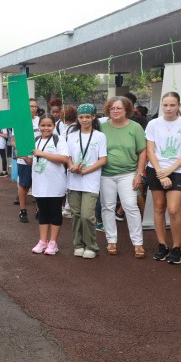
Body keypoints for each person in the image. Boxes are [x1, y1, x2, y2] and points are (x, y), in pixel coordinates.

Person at [146, 92, 181, 264]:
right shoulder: (153, 124)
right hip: (156, 169)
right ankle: (162, 245)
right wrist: (161, 171)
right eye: (165, 105)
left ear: (179, 106)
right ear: (161, 105)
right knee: (159, 207)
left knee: (174, 209)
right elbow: (150, 151)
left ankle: (176, 248)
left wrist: (170, 170)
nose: (168, 108)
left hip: (177, 170)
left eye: (172, 105)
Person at [100, 96, 147, 258]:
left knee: (130, 206)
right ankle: (111, 240)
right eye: (112, 108)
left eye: (119, 108)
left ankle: (138, 243)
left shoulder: (135, 128)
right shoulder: (101, 127)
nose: (115, 111)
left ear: (127, 109)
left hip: (128, 173)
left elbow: (143, 151)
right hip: (105, 175)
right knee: (107, 207)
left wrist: (139, 174)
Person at [66, 104, 107, 259]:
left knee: (87, 215)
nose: (84, 120)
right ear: (77, 118)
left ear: (93, 117)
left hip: (91, 181)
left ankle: (91, 246)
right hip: (73, 180)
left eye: (87, 117)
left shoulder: (99, 136)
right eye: (81, 117)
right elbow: (67, 157)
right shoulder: (71, 136)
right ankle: (78, 244)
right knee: (75, 214)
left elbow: (103, 159)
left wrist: (85, 171)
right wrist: (72, 167)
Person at [29, 115, 70, 255]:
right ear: (39, 126)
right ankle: (42, 241)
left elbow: (64, 158)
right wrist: (22, 155)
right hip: (39, 184)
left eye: (49, 125)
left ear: (53, 126)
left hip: (55, 183)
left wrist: (42, 153)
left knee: (55, 212)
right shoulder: (35, 140)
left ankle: (53, 243)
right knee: (42, 212)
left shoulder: (59, 140)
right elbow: (32, 161)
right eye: (43, 125)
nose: (46, 128)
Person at [12, 98, 40, 222]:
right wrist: (20, 151)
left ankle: (39, 210)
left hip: (39, 159)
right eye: (30, 106)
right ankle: (22, 211)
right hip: (23, 159)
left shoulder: (41, 121)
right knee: (23, 185)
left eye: (34, 106)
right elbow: (13, 141)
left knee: (38, 184)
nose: (32, 108)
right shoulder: (19, 122)